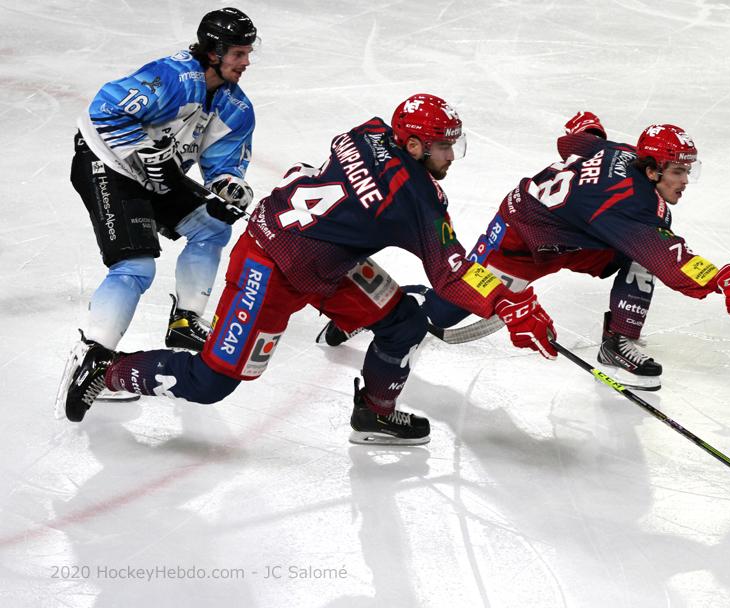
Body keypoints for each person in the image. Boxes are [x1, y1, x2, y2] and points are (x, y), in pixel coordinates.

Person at [56, 94, 558, 447]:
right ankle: (111, 372)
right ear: (412, 146)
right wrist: (511, 303)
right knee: (212, 383)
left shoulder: (370, 132)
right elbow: (452, 274)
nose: (451, 156)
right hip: (269, 263)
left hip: (328, 261)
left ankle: (375, 413)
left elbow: (311, 171)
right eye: (443, 147)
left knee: (403, 321)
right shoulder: (417, 201)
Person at [322, 111, 730, 391]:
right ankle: (374, 312)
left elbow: (578, 145)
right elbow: (671, 258)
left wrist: (584, 130)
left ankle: (619, 340)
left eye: (688, 169)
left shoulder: (623, 155)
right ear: (650, 169)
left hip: (576, 238)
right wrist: (720, 278)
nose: (685, 180)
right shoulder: (628, 203)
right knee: (444, 311)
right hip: (521, 240)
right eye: (679, 171)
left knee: (637, 255)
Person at [65, 6, 258, 380]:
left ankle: (185, 322)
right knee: (135, 266)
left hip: (155, 176)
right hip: (106, 162)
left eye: (249, 52)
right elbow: (105, 110)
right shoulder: (173, 77)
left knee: (213, 227)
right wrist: (146, 153)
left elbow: (223, 167)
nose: (247, 61)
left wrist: (229, 188)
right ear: (213, 52)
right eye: (239, 53)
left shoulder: (235, 107)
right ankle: (90, 362)